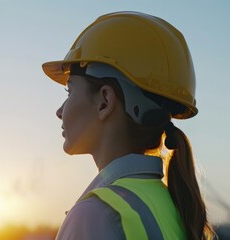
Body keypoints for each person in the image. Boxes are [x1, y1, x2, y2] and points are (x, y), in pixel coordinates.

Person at [42, 11, 215, 240]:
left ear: (105, 101)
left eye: (70, 90)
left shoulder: (95, 216)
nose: (59, 111)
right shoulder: (170, 206)